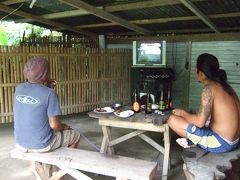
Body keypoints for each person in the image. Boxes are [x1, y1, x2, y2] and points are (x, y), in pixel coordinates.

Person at [167, 53, 240, 153]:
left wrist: (183, 113)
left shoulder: (209, 89)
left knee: (172, 120)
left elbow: (199, 122)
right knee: (199, 119)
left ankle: (194, 142)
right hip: (235, 140)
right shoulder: (226, 87)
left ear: (200, 71)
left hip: (222, 143)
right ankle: (193, 141)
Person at [14, 57, 80, 153]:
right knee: (75, 136)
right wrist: (64, 127)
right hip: (41, 144)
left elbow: (36, 96)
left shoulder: (19, 88)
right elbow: (54, 126)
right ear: (45, 74)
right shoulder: (49, 93)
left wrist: (47, 87)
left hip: (20, 142)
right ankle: (64, 164)